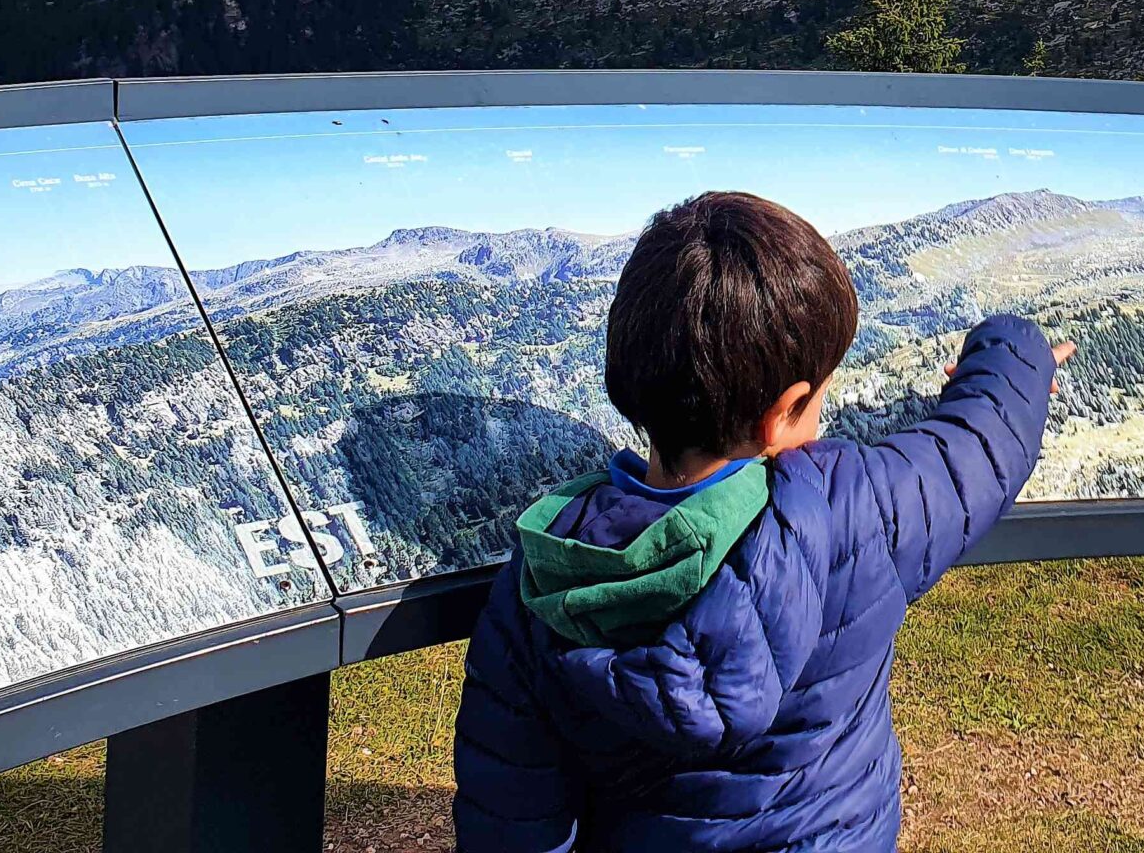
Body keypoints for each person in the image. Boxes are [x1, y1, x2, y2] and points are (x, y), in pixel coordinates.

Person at [453, 188, 1070, 852]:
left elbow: (510, 812)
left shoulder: (544, 577)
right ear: (783, 413)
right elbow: (982, 448)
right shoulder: (853, 507)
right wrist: (1011, 349)